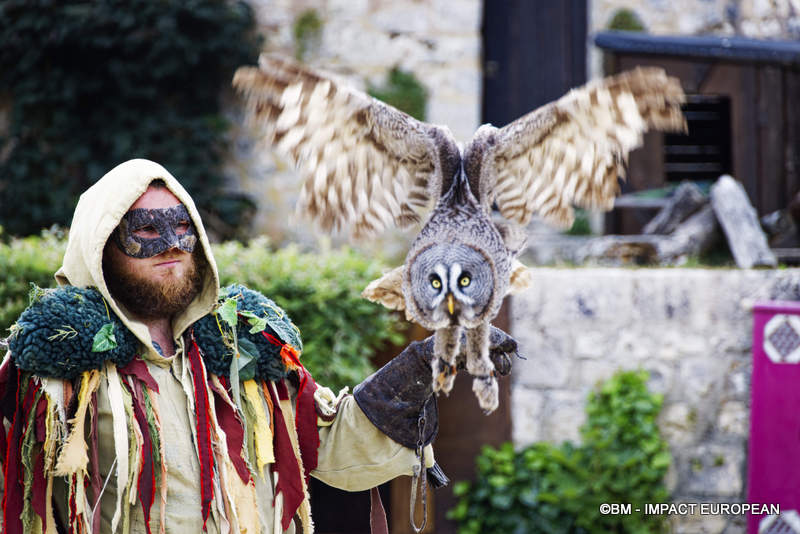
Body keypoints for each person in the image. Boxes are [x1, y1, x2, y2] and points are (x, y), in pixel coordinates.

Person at [0, 159, 516, 534]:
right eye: (145, 231)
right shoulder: (53, 365)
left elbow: (330, 444)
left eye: (183, 227)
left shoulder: (242, 349)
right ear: (102, 244)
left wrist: (421, 364)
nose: (172, 246)